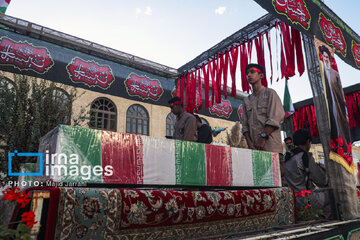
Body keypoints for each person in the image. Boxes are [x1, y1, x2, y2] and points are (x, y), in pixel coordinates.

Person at [241, 63, 285, 153]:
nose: (249, 75)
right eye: (247, 73)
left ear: (261, 75)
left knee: (275, 167)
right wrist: (249, 144)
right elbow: (245, 126)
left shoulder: (270, 94)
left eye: (252, 72)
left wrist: (263, 138)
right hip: (254, 149)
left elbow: (275, 118)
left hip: (271, 148)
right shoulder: (247, 100)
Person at [284, 128, 328, 211]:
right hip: (306, 200)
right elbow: (322, 181)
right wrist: (323, 170)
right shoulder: (305, 156)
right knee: (334, 194)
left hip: (291, 201)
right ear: (308, 142)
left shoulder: (286, 157)